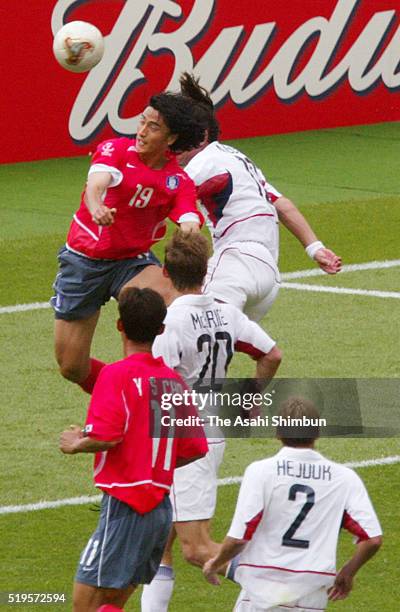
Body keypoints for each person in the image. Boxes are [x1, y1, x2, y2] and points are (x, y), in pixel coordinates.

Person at [141, 231, 282, 611]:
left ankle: (282, 586)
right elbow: (271, 355)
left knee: (196, 547)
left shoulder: (167, 324)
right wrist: (251, 397)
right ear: (206, 271)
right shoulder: (226, 312)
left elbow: (162, 387)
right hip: (211, 431)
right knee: (160, 545)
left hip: (183, 443)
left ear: (166, 273)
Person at [59, 287, 208, 612]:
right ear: (161, 329)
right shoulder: (173, 382)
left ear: (119, 326)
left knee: (84, 605)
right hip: (160, 512)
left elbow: (108, 436)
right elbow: (196, 447)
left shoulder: (115, 375)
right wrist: (155, 464)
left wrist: (76, 443)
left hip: (126, 507)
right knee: (111, 604)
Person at [51, 90, 207, 393]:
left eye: (153, 127)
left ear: (171, 138)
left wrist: (190, 235)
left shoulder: (177, 180)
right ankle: (121, 390)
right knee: (71, 366)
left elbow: (189, 218)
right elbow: (96, 185)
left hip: (131, 262)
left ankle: (168, 383)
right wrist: (96, 207)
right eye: (142, 122)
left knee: (178, 297)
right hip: (83, 261)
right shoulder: (115, 150)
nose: (142, 131)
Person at [178, 73, 342, 322]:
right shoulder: (237, 158)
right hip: (267, 275)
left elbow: (168, 197)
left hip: (237, 264)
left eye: (177, 137)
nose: (170, 146)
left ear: (201, 136)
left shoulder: (203, 163)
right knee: (219, 347)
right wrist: (315, 248)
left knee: (179, 327)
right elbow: (282, 205)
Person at [203, 397, 382, 611]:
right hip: (311, 598)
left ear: (278, 433)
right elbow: (372, 539)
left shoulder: (260, 471)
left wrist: (214, 563)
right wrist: (348, 572)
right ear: (316, 433)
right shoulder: (344, 478)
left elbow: (240, 537)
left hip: (261, 594)